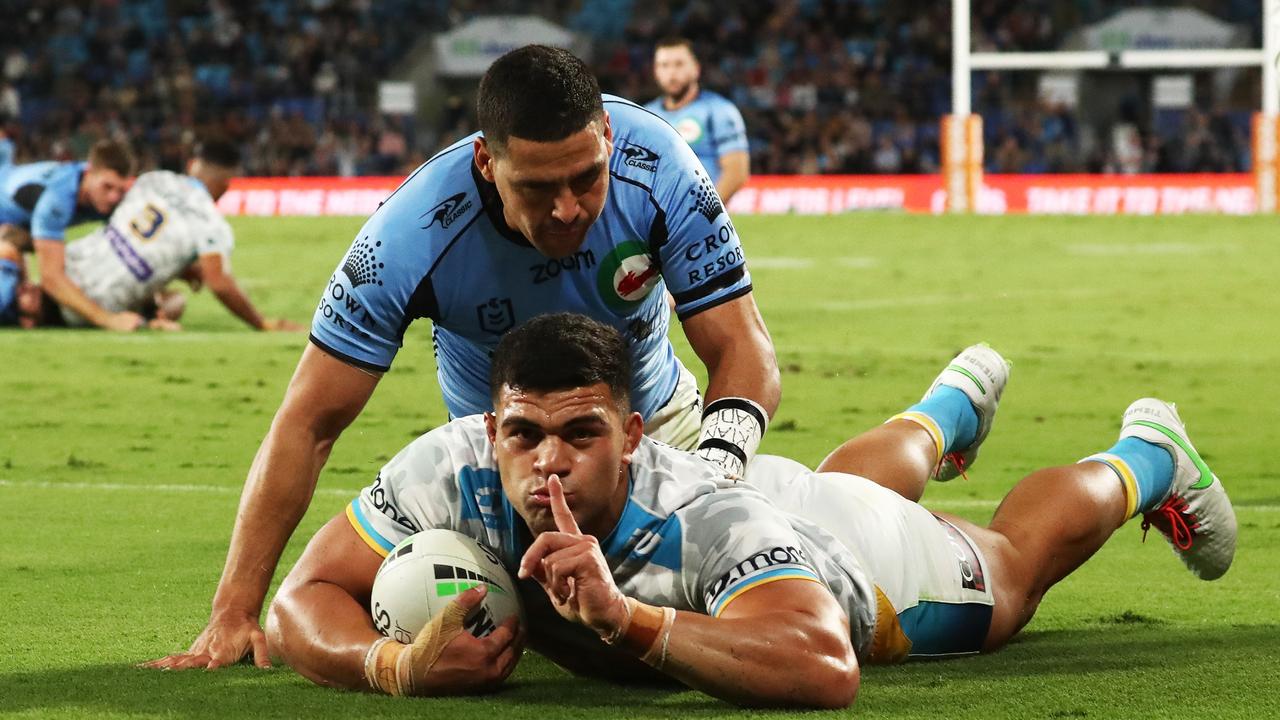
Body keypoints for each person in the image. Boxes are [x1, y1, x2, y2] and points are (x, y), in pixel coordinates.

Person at [144, 45, 780, 671]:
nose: (567, 208)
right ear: (485, 163)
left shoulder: (661, 164)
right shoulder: (404, 241)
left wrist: (717, 470)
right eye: (535, 187)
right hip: (503, 468)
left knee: (741, 631)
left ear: (608, 136)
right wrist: (234, 608)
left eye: (587, 177)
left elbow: (743, 347)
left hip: (655, 434)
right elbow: (309, 421)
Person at [255, 313, 1236, 707]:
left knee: (1008, 576)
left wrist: (627, 620)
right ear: (490, 425)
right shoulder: (451, 466)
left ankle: (1144, 456)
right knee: (828, 483)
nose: (546, 462)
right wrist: (390, 663)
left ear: (634, 433)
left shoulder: (703, 524)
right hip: (777, 503)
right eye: (522, 435)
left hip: (838, 562)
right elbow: (303, 599)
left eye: (581, 436)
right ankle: (941, 414)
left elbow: (823, 669)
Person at [43, 138, 299, 332]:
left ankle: (153, 315)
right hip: (90, 306)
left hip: (63, 270)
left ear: (191, 165)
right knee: (175, 302)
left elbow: (123, 225)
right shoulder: (211, 224)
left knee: (173, 299)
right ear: (225, 185)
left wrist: (184, 270)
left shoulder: (155, 178)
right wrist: (261, 323)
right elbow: (219, 283)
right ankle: (154, 318)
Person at [0, 139, 138, 331]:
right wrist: (108, 320)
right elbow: (50, 277)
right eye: (107, 187)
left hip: (15, 231)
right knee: (5, 297)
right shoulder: (58, 197)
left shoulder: (99, 191)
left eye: (120, 190)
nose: (113, 197)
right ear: (90, 173)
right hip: (7, 227)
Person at [645, 37, 750, 204]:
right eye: (664, 65)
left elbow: (736, 172)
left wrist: (706, 213)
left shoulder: (719, 110)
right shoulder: (647, 115)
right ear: (655, 71)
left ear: (696, 69)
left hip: (703, 215)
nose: (671, 73)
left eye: (679, 64)